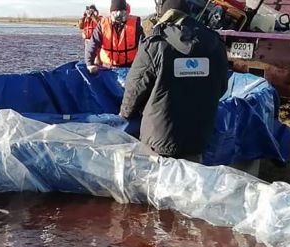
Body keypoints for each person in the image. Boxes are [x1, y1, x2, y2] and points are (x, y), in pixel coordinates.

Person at [119, 0, 229, 162]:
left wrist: (126, 112)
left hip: (158, 140)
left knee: (157, 183)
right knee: (189, 182)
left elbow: (135, 88)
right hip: (197, 137)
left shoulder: (155, 44)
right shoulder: (214, 44)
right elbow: (222, 87)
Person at [85, 0, 144, 73]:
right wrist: (89, 64)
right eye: (115, 12)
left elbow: (143, 47)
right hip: (107, 68)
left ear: (126, 12)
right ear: (111, 13)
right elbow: (92, 44)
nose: (118, 15)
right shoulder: (103, 24)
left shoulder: (135, 24)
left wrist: (142, 66)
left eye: (122, 12)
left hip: (130, 67)